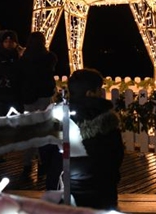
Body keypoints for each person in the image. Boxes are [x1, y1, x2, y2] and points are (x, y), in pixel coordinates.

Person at [66, 67, 124, 210]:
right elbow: (116, 155)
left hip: (69, 191)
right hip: (102, 191)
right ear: (90, 93)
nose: (101, 93)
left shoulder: (61, 119)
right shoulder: (107, 121)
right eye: (99, 89)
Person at [18, 31, 60, 186]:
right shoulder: (50, 57)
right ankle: (44, 163)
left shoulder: (24, 59)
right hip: (44, 97)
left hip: (29, 98)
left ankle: (27, 163)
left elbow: (20, 76)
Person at [0, 30, 24, 118]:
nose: (8, 44)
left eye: (11, 42)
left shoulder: (20, 55)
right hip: (2, 95)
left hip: (17, 94)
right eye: (6, 41)